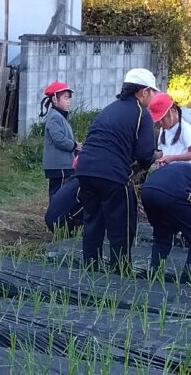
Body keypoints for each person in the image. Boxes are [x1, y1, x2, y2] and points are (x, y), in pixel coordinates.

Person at [75, 68, 158, 273]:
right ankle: (120, 270)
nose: (154, 96)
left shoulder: (109, 108)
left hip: (84, 168)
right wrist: (153, 159)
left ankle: (91, 267)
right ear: (143, 91)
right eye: (153, 92)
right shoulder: (141, 113)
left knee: (92, 220)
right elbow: (145, 153)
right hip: (112, 173)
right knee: (121, 222)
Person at [40, 81, 81, 199]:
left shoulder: (59, 116)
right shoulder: (55, 117)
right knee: (58, 193)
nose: (68, 101)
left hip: (62, 164)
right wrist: (74, 145)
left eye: (69, 98)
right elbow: (59, 139)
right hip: (59, 165)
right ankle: (56, 216)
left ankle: (59, 216)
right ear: (54, 99)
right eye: (65, 98)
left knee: (60, 191)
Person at [148, 93, 191, 165]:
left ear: (173, 110)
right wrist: (155, 156)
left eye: (163, 118)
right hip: (168, 170)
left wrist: (172, 158)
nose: (160, 122)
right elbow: (166, 151)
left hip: (183, 170)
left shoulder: (186, 129)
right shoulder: (163, 130)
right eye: (158, 120)